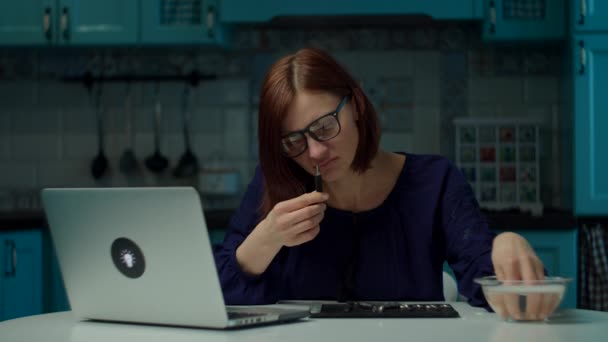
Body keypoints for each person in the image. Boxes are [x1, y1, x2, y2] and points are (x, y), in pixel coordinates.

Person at [214, 47, 549, 321]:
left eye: (325, 127)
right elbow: (216, 295)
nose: (314, 152)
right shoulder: (276, 180)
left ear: (357, 104)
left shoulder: (435, 182)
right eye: (294, 140)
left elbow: (492, 285)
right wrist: (267, 237)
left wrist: (506, 244)